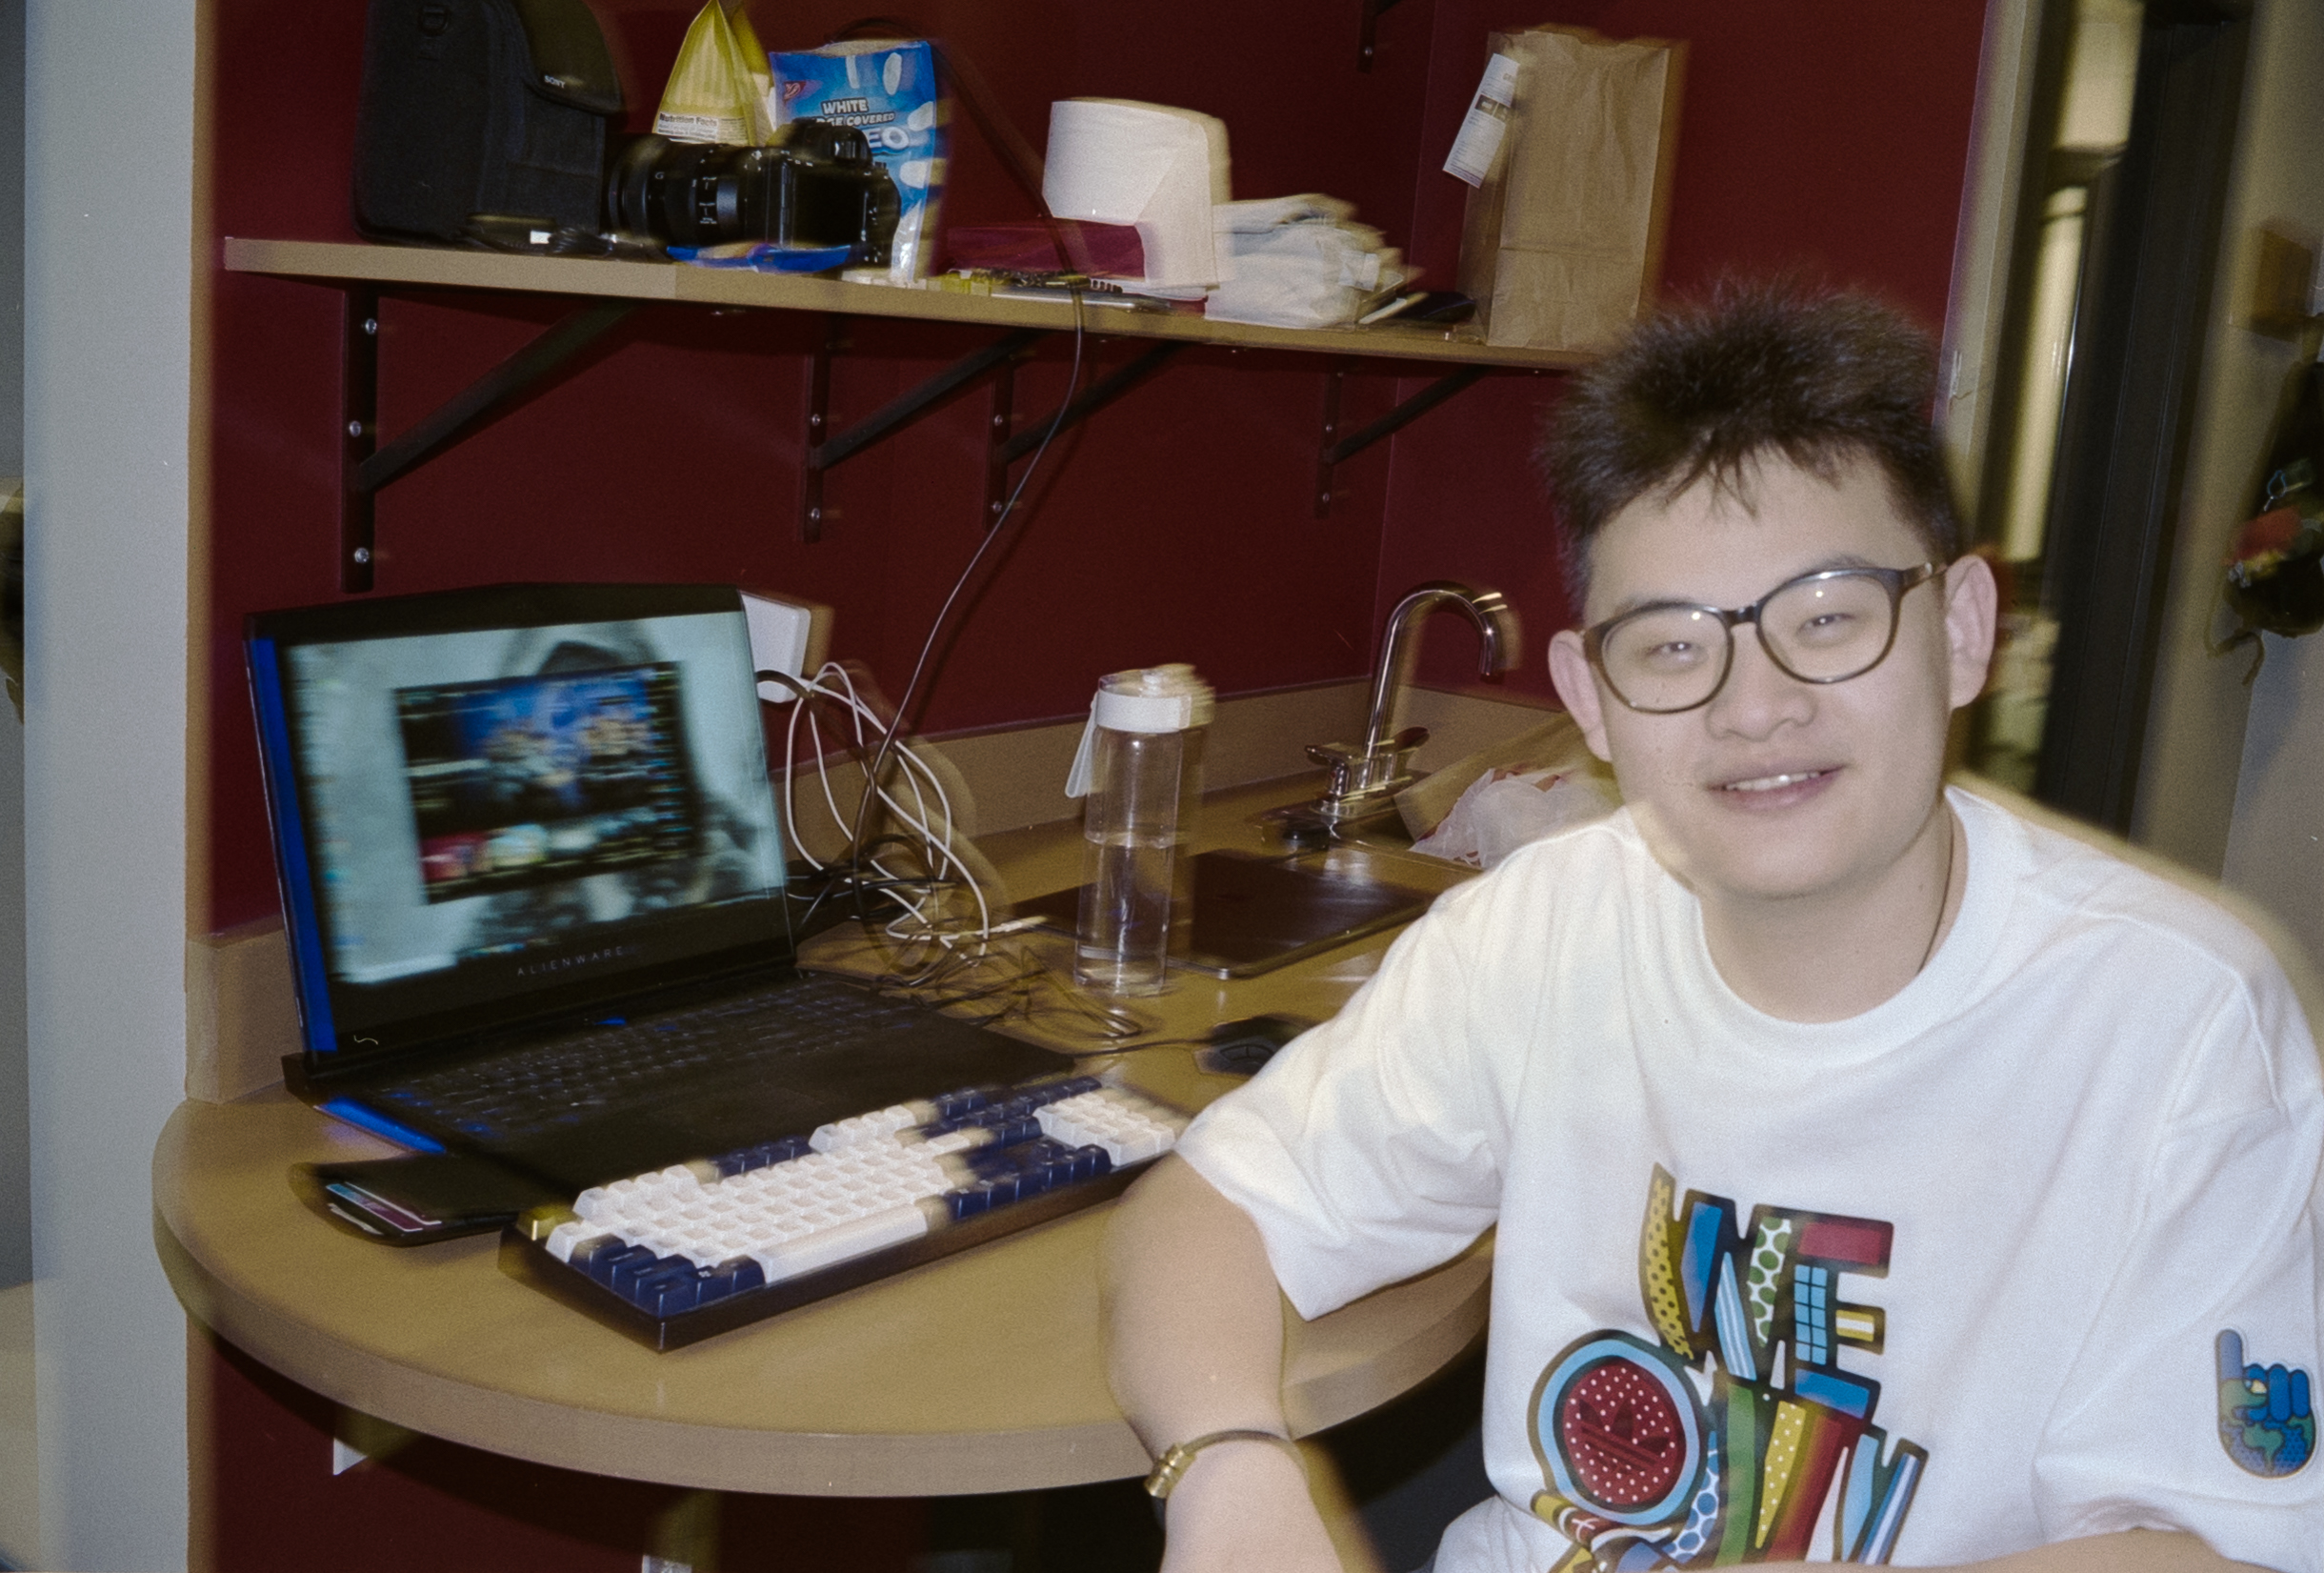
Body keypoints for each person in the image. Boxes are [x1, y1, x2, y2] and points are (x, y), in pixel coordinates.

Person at [1102, 283, 2324, 1573]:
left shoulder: (2176, 1018)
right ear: (1591, 699)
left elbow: (2221, 1549)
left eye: (1828, 617)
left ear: (1963, 631)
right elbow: (1209, 1210)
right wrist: (1229, 1472)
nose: (1755, 705)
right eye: (1672, 648)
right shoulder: (1547, 927)